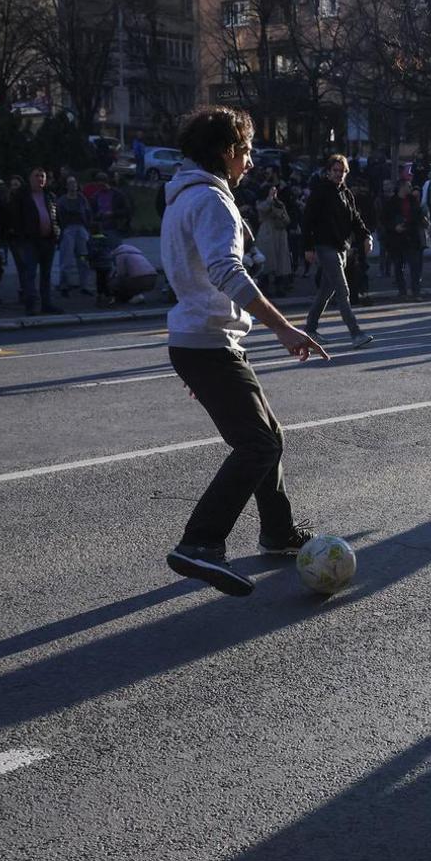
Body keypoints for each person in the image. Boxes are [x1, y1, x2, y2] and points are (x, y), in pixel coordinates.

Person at [160, 106, 329, 596]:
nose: (250, 162)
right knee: (257, 444)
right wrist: (284, 329)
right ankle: (201, 542)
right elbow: (225, 272)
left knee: (267, 436)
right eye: (246, 151)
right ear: (225, 152)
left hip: (202, 340)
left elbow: (188, 276)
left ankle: (278, 531)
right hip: (208, 342)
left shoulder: (181, 197)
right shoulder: (211, 201)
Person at [301, 154, 373, 348]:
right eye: (335, 170)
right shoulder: (321, 192)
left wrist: (366, 236)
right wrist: (307, 247)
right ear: (328, 171)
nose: (339, 174)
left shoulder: (346, 193)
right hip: (325, 246)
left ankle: (309, 330)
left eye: (342, 171)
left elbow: (355, 219)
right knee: (343, 290)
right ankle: (356, 333)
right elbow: (307, 220)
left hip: (341, 247)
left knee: (326, 291)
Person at [8, 167, 62, 316]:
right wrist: (21, 236)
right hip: (30, 241)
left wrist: (57, 233)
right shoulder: (22, 196)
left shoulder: (50, 196)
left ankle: (47, 304)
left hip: (48, 240)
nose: (40, 179)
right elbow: (15, 218)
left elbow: (56, 217)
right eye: (37, 176)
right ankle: (30, 305)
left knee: (46, 274)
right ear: (30, 178)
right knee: (30, 273)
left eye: (42, 176)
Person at [384, 178, 427, 301]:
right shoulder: (391, 202)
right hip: (396, 238)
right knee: (398, 266)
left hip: (411, 237)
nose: (410, 188)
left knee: (415, 266)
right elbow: (384, 219)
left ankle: (416, 291)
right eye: (408, 186)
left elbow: (418, 215)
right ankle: (402, 291)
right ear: (402, 187)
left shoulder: (413, 200)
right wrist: (394, 227)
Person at [253, 185, 294, 297]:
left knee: (281, 262)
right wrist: (270, 199)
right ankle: (264, 287)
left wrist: (280, 214)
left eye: (275, 190)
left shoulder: (279, 203)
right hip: (267, 233)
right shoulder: (261, 202)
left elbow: (287, 218)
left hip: (280, 233)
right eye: (272, 190)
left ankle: (279, 287)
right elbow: (262, 209)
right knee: (267, 261)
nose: (274, 192)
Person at [56, 175, 92, 297]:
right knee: (66, 259)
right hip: (68, 229)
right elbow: (58, 217)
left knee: (83, 258)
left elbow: (88, 213)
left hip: (81, 228)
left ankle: (85, 285)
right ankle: (64, 285)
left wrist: (88, 227)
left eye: (74, 182)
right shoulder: (62, 200)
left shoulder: (82, 199)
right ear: (66, 186)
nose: (73, 185)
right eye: (70, 183)